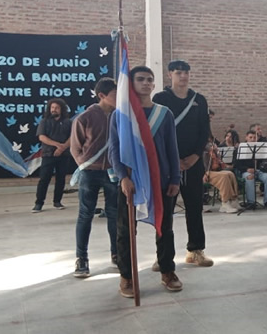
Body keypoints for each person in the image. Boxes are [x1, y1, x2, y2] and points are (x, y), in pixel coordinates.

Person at [109, 66, 182, 297]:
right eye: (140, 79)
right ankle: (127, 277)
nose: (146, 83)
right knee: (125, 230)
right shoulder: (120, 114)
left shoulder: (164, 114)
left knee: (165, 228)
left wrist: (175, 178)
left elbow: (172, 148)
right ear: (131, 83)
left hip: (160, 181)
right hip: (131, 182)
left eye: (150, 80)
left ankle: (167, 271)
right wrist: (123, 177)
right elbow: (114, 149)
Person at [152, 59, 214, 268]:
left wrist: (196, 155)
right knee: (165, 210)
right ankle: (163, 255)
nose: (183, 76)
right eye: (179, 72)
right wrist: (171, 158)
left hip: (193, 162)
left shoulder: (199, 100)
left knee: (195, 206)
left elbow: (204, 131)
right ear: (170, 74)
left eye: (186, 72)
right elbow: (156, 130)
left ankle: (196, 250)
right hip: (168, 163)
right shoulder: (160, 98)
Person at [69, 78, 119, 278]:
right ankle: (82, 258)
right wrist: (85, 163)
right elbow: (75, 147)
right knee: (85, 214)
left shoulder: (121, 116)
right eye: (115, 94)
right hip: (90, 172)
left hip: (114, 173)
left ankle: (117, 253)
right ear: (102, 96)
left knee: (114, 215)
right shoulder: (85, 118)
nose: (119, 98)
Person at [32, 98, 72, 212]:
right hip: (48, 154)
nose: (54, 110)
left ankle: (57, 201)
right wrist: (57, 145)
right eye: (52, 108)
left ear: (61, 109)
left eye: (56, 108)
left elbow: (72, 137)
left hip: (64, 155)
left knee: (61, 179)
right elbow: (42, 137)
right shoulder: (44, 121)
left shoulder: (68, 122)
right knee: (44, 179)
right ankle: (39, 203)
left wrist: (62, 147)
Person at [235, 130, 267, 209]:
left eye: (254, 138)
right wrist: (247, 169)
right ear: (246, 137)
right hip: (245, 171)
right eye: (250, 137)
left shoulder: (260, 148)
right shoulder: (240, 148)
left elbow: (263, 163)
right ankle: (251, 202)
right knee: (250, 177)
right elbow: (237, 164)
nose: (253, 139)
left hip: (258, 171)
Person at [204, 138, 241, 213]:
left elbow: (217, 165)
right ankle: (225, 203)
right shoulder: (202, 150)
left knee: (230, 174)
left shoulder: (213, 147)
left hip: (214, 171)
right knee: (224, 177)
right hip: (205, 172)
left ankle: (233, 200)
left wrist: (217, 155)